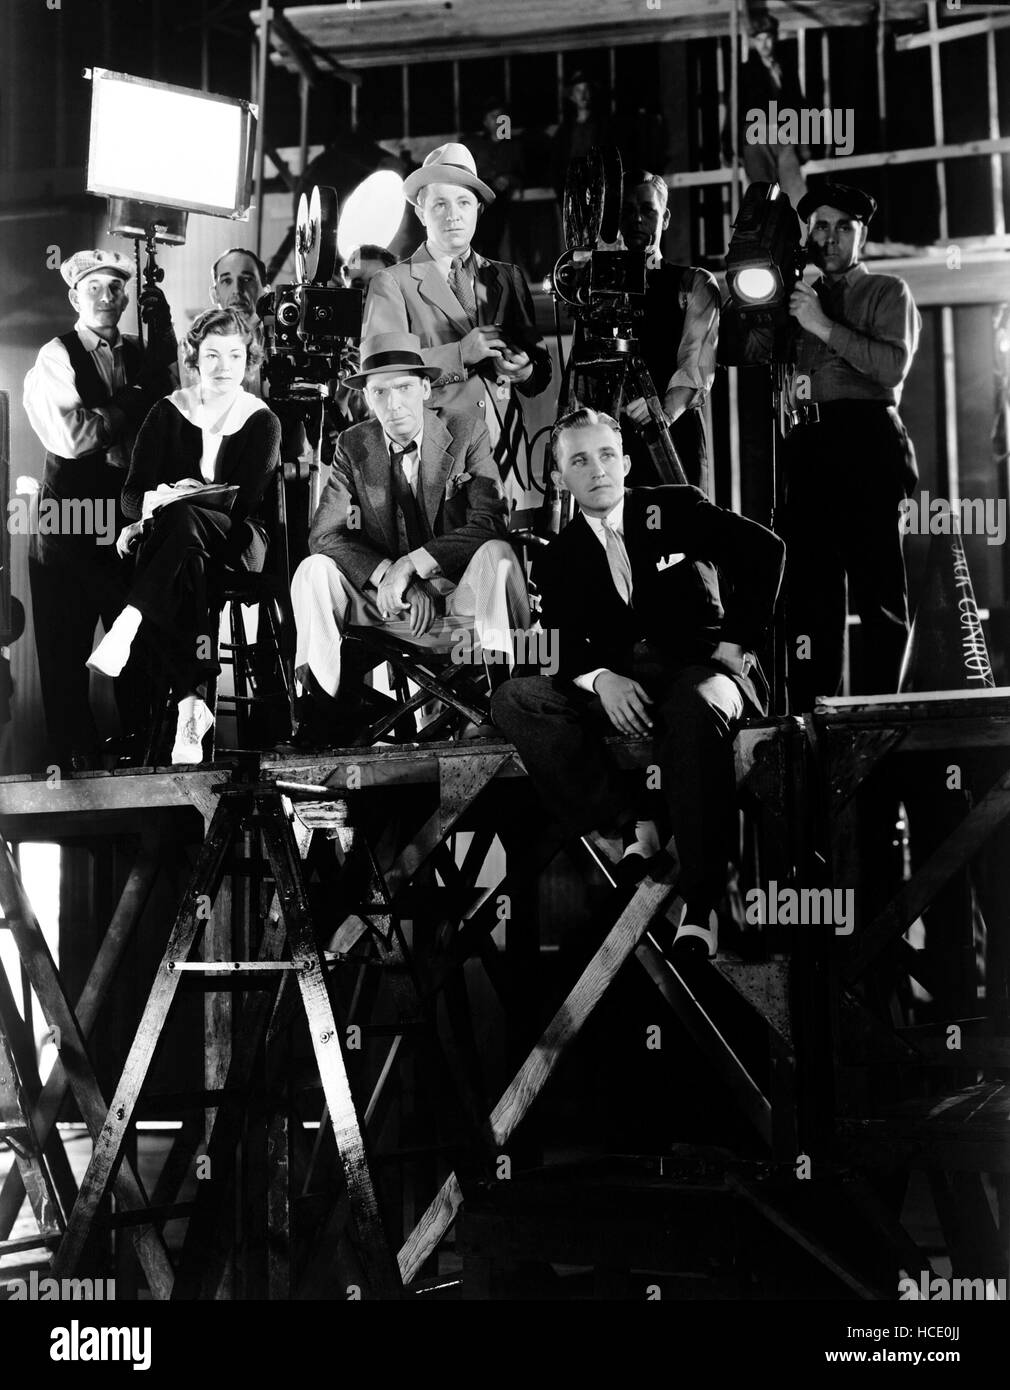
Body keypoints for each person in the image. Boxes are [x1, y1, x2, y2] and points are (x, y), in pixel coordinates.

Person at [491, 408, 784, 954]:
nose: (597, 469)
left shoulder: (673, 507)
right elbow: (552, 645)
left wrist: (734, 645)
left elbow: (767, 551)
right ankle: (629, 822)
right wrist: (599, 680)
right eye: (579, 460)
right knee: (514, 700)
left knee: (694, 710)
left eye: (606, 455)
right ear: (560, 479)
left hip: (706, 671)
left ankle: (702, 904)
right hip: (632, 686)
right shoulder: (559, 559)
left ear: (625, 462)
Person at [290, 331, 530, 741]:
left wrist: (412, 565)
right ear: (366, 397)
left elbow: (489, 521)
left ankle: (502, 699)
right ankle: (321, 709)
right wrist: (389, 574)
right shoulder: (353, 444)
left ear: (424, 388)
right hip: (389, 607)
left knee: (497, 554)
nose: (393, 403)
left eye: (403, 387)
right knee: (314, 570)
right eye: (379, 392)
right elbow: (325, 535)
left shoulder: (467, 431)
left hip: (461, 595)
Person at [86, 308, 281, 763]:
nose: (223, 366)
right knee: (185, 556)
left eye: (234, 355)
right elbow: (131, 497)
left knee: (182, 524)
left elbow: (246, 502)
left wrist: (179, 500)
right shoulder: (169, 410)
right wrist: (162, 502)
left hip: (238, 541)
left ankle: (131, 619)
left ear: (248, 359)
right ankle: (193, 707)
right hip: (182, 547)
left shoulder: (262, 420)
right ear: (194, 358)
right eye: (211, 355)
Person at [23, 248, 177, 769]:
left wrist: (166, 346)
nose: (107, 298)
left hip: (124, 519)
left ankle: (143, 755)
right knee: (64, 653)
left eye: (116, 288)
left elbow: (170, 422)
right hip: (67, 523)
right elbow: (73, 436)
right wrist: (132, 401)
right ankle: (71, 764)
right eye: (95, 288)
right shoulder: (55, 356)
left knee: (136, 640)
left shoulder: (142, 353)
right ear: (74, 296)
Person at [783, 181, 920, 711]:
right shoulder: (797, 296)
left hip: (868, 438)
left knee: (879, 589)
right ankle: (821, 723)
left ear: (861, 233)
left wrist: (820, 324)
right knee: (814, 597)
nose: (832, 237)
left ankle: (883, 721)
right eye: (821, 225)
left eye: (845, 226)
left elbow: (890, 368)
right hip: (811, 443)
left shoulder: (887, 291)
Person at [361, 142, 551, 504]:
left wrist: (523, 370)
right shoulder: (392, 284)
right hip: (437, 465)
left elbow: (541, 374)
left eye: (463, 203)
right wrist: (460, 354)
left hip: (507, 460)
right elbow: (383, 381)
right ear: (420, 212)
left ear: (478, 209)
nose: (453, 216)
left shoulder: (507, 278)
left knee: (509, 558)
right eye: (440, 205)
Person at [613, 169, 720, 491]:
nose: (637, 219)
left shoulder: (693, 282)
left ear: (666, 217)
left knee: (682, 532)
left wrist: (662, 411)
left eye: (648, 210)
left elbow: (695, 362)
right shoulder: (595, 288)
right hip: (610, 437)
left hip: (674, 436)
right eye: (627, 211)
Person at [721, 12, 809, 211]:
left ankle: (799, 237)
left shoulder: (786, 68)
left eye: (768, 38)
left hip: (783, 135)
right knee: (765, 196)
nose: (764, 44)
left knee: (795, 193)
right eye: (759, 40)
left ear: (774, 38)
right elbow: (734, 107)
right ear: (753, 42)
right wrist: (728, 144)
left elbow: (798, 104)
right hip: (756, 136)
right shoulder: (745, 71)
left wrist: (805, 141)